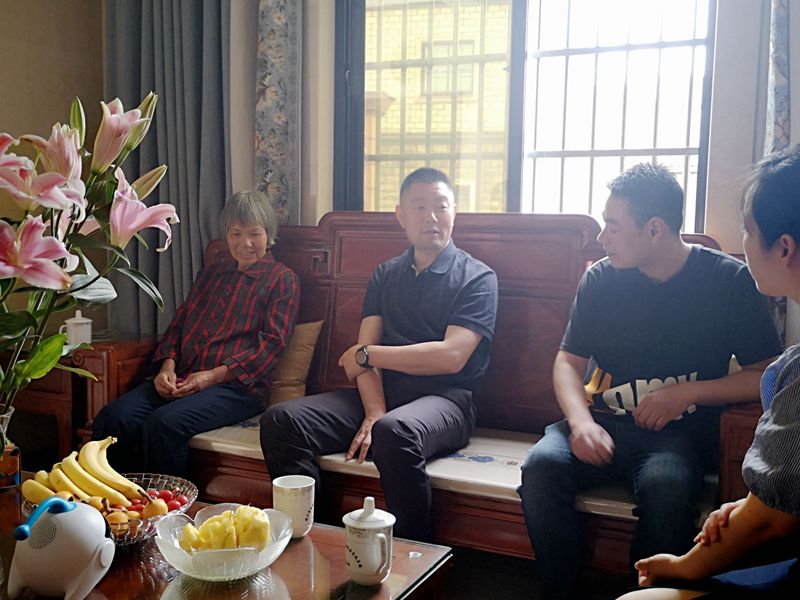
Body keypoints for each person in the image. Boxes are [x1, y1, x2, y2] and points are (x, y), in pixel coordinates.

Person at [518, 163, 782, 599]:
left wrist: (687, 393)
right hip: (601, 421)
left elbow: (767, 376)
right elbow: (567, 361)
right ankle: (561, 590)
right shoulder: (600, 279)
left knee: (667, 488)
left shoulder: (727, 281)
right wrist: (581, 422)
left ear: (655, 229)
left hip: (674, 437)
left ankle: (644, 594)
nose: (601, 238)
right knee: (541, 467)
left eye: (612, 226)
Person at [260, 167, 498, 540]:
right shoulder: (385, 274)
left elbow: (450, 356)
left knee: (393, 431)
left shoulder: (477, 277)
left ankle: (415, 554)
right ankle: (317, 537)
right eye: (419, 207)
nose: (431, 217)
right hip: (385, 395)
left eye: (441, 206)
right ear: (400, 215)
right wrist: (373, 410)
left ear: (455, 213)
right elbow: (362, 359)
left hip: (448, 400)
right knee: (282, 420)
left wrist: (370, 355)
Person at [617, 145, 800, 600]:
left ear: (784, 248)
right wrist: (748, 505)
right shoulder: (603, 279)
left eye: (747, 229)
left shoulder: (729, 285)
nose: (743, 242)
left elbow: (770, 520)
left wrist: (682, 567)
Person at [93, 190, 299, 476]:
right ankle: (118, 498)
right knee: (113, 417)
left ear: (269, 234)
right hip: (182, 378)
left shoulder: (282, 279)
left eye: (255, 234)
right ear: (226, 235)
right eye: (236, 234)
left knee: (164, 424)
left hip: (235, 389)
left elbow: (271, 347)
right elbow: (179, 325)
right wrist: (167, 367)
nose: (246, 243)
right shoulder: (212, 274)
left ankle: (167, 503)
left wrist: (210, 377)